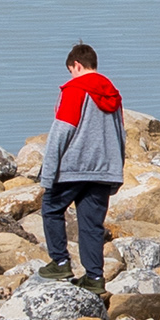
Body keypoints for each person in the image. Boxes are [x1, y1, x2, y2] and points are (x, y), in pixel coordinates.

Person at [37, 43, 125, 285]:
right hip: (104, 170)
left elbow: (62, 131)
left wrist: (48, 172)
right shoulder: (113, 94)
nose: (71, 75)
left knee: (51, 208)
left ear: (76, 65)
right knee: (91, 224)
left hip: (73, 167)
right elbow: (121, 134)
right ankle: (95, 277)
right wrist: (116, 171)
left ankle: (61, 262)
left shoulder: (75, 88)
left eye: (71, 70)